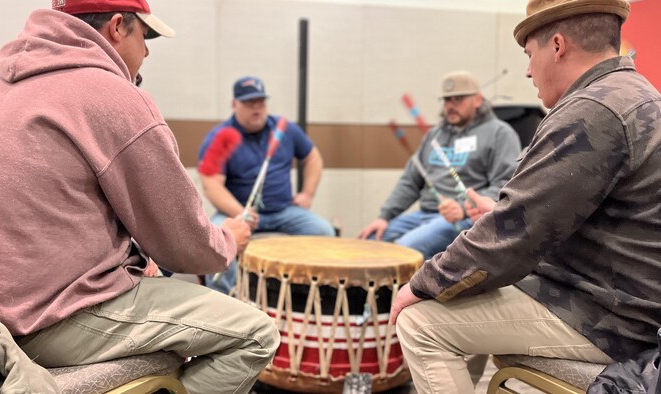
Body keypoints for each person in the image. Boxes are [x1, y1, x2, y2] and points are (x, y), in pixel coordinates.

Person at [0, 1, 280, 393]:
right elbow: (185, 247)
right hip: (48, 319)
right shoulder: (110, 94)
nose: (146, 52)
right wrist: (229, 240)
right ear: (116, 27)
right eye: (145, 36)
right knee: (256, 335)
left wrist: (131, 262)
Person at [389, 0, 661, 392]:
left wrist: (420, 284)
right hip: (622, 300)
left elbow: (511, 235)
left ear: (557, 45)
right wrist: (500, 213)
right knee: (470, 290)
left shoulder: (593, 109)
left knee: (421, 322)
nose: (528, 70)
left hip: (609, 319)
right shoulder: (635, 93)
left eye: (529, 54)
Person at [358, 71, 521, 260]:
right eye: (446, 100)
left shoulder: (500, 134)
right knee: (369, 243)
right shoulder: (435, 136)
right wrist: (384, 216)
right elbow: (410, 181)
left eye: (458, 99)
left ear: (477, 100)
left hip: (464, 219)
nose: (450, 106)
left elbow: (504, 185)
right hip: (423, 214)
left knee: (404, 250)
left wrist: (462, 208)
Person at [198, 76, 335, 294]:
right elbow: (212, 185)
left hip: (284, 210)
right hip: (237, 213)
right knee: (216, 243)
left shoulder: (284, 129)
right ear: (234, 104)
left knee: (324, 232)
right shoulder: (220, 137)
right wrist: (241, 212)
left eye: (261, 102)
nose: (257, 109)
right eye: (249, 103)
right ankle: (222, 300)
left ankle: (311, 296)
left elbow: (313, 158)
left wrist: (308, 194)